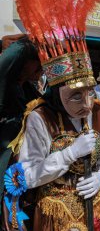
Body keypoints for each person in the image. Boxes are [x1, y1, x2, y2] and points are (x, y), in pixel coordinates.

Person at [1, 0, 100, 229]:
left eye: (90, 93)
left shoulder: (98, 110)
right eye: (75, 96)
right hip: (57, 218)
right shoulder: (39, 118)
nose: (87, 104)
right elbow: (28, 176)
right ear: (57, 93)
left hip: (97, 213)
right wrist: (69, 154)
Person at [0, 37, 42, 217]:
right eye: (37, 63)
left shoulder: (27, 89)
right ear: (24, 62)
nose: (41, 71)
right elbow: (8, 58)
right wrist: (30, 39)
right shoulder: (5, 84)